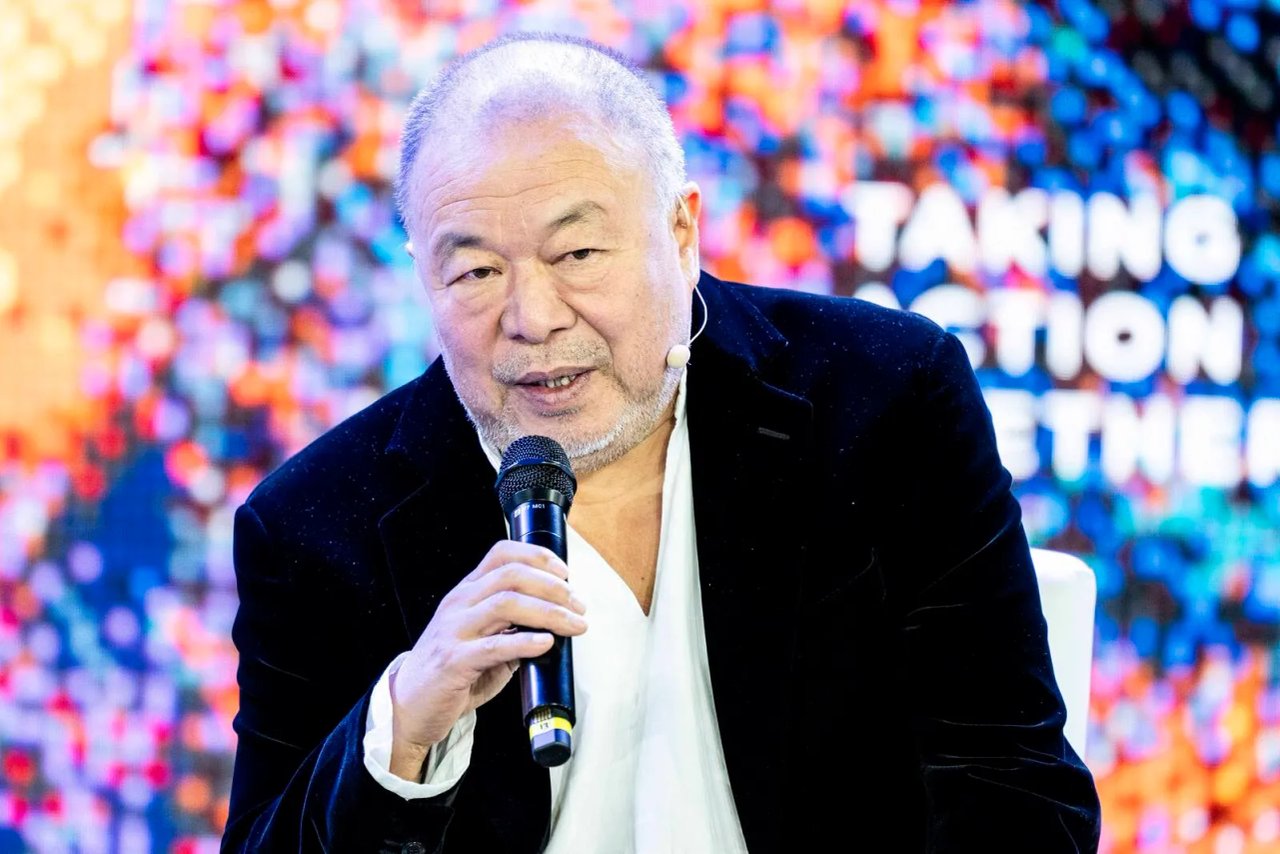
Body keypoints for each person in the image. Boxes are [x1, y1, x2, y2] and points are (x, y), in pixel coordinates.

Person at [223, 32, 1102, 853]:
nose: (532, 318)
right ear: (423, 276)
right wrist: (401, 727)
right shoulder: (313, 528)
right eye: (477, 271)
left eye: (577, 255)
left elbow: (1014, 783)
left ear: (681, 233)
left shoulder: (882, 401)